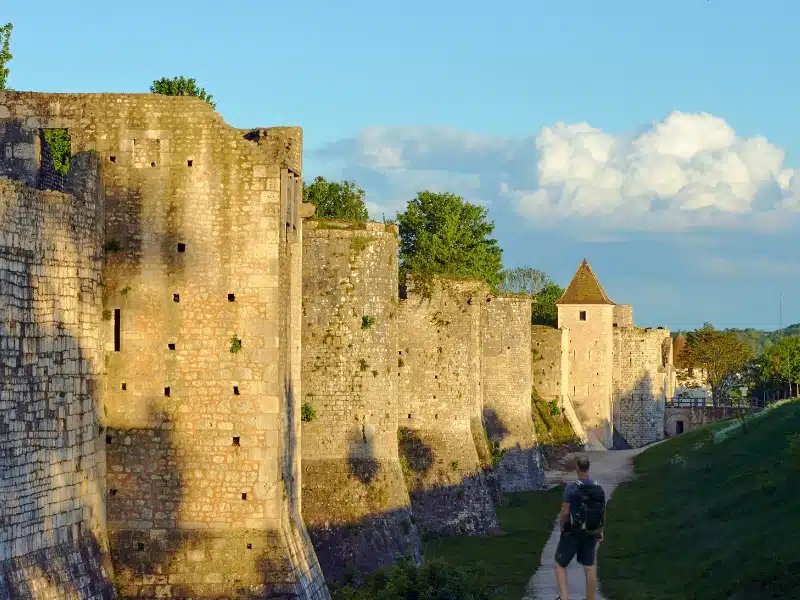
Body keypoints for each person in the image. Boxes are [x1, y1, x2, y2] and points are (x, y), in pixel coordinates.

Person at [553, 454, 606, 600]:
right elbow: (602, 512)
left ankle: (564, 597)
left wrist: (563, 526)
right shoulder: (598, 487)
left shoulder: (571, 487)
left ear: (577, 468)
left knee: (560, 565)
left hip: (573, 532)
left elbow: (565, 512)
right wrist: (600, 531)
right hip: (591, 532)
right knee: (589, 567)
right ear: (588, 468)